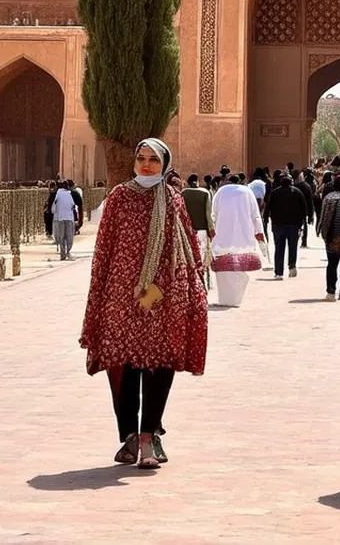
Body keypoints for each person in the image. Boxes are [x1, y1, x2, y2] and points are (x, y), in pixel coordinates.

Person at [80, 138, 208, 469]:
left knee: (159, 364)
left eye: (153, 159)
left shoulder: (173, 199)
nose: (146, 165)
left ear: (164, 164)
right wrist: (100, 293)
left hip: (162, 297)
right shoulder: (119, 198)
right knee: (122, 365)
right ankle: (129, 436)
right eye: (141, 158)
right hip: (121, 297)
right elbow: (104, 249)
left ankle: (150, 434)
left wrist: (187, 287)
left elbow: (186, 246)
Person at [211, 175, 265, 306]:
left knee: (223, 269)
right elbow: (255, 215)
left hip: (223, 236)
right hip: (243, 237)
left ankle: (225, 299)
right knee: (240, 267)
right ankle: (237, 298)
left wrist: (211, 231)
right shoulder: (247, 192)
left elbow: (213, 213)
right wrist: (259, 232)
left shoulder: (221, 192)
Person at [265, 175, 307, 280]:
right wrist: (303, 222)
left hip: (278, 225)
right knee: (293, 247)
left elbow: (268, 207)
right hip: (294, 225)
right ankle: (292, 266)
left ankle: (279, 272)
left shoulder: (275, 193)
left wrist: (265, 219)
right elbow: (304, 208)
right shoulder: (297, 192)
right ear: (291, 182)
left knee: (279, 248)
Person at [52, 181, 79, 260]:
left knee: (62, 237)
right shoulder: (70, 194)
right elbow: (73, 206)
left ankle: (63, 253)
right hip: (68, 218)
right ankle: (67, 252)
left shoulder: (57, 194)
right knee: (69, 236)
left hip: (60, 218)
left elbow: (53, 208)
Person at [294, 170, 316, 249]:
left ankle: (295, 240)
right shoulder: (306, 186)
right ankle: (304, 241)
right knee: (304, 224)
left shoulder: (293, 186)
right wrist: (311, 215)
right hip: (304, 209)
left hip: (295, 210)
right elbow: (310, 201)